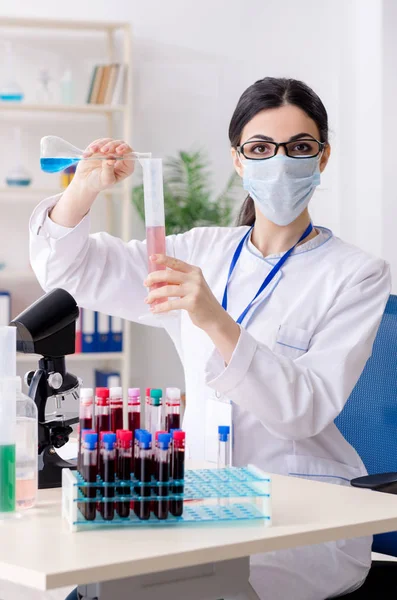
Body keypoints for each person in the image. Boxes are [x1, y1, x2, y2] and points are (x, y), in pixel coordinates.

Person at [30, 77, 390, 600]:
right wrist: (84, 186)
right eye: (262, 149)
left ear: (322, 158)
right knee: (98, 586)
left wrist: (212, 317)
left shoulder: (358, 274)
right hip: (200, 502)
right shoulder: (202, 250)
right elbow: (72, 272)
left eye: (300, 148)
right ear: (240, 161)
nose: (281, 163)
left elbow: (303, 409)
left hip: (302, 518)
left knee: (177, 589)